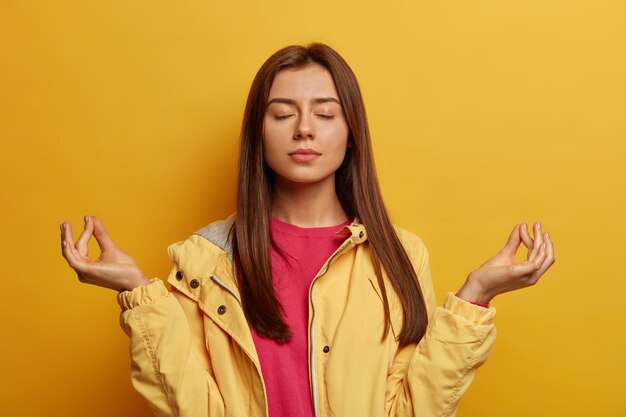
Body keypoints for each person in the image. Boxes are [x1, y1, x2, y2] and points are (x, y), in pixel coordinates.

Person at [60, 43, 555, 417]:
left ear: (351, 132)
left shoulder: (400, 254)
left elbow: (410, 408)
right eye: (282, 113)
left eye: (325, 113)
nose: (304, 129)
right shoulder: (203, 260)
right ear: (259, 131)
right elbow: (195, 407)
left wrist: (474, 299)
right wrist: (135, 294)